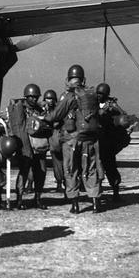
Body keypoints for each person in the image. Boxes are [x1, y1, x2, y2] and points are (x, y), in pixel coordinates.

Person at [42, 64, 86, 213]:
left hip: (71, 138)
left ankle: (74, 203)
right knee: (88, 167)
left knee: (70, 169)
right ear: (83, 79)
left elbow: (56, 115)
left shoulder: (68, 96)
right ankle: (95, 200)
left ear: (68, 79)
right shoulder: (88, 94)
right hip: (87, 138)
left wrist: (44, 118)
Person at [8, 83, 49, 209]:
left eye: (36, 97)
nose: (35, 99)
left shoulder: (39, 109)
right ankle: (19, 200)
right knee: (24, 172)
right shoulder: (20, 108)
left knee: (41, 172)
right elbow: (18, 127)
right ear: (26, 97)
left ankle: (37, 199)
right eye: (32, 97)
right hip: (26, 146)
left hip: (38, 146)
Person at [96, 82, 131, 201]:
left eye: (102, 94)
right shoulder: (93, 104)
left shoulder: (112, 107)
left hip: (107, 142)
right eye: (98, 93)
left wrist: (115, 105)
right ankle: (97, 194)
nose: (100, 96)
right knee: (96, 169)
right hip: (96, 141)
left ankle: (116, 192)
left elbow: (124, 118)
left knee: (111, 168)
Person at [41, 89, 64, 194]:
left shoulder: (58, 110)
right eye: (47, 99)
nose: (49, 101)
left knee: (57, 160)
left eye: (51, 99)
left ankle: (60, 183)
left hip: (54, 135)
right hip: (44, 136)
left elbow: (56, 122)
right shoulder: (41, 109)